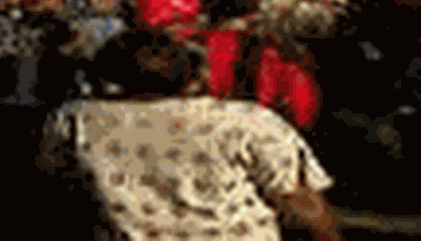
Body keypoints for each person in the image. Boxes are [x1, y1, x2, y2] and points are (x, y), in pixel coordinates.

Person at [41, 22, 346, 241]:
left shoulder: (75, 120)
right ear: (192, 74)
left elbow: (58, 189)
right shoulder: (246, 122)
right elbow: (302, 204)